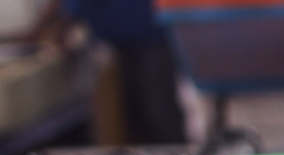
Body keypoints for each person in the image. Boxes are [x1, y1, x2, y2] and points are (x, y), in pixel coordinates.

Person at [32, 0, 187, 145]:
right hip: (126, 38)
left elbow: (73, 7)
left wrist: (58, 27)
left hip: (146, 36)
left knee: (158, 114)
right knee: (133, 119)